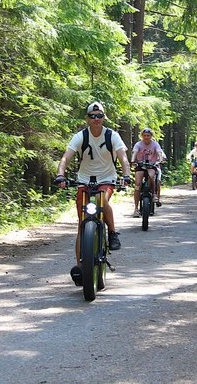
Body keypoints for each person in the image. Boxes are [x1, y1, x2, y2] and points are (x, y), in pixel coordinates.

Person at [54, 101, 131, 286]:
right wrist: (60, 175)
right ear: (87, 118)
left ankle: (112, 233)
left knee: (102, 200)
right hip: (84, 181)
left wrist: (126, 175)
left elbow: (123, 158)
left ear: (104, 117)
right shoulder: (80, 136)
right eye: (92, 116)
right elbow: (66, 157)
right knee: (82, 224)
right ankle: (81, 266)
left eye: (100, 116)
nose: (96, 119)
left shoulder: (112, 136)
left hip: (107, 179)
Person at [130, 128, 164, 217]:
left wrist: (160, 160)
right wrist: (133, 160)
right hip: (140, 165)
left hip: (151, 165)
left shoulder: (155, 144)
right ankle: (136, 209)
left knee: (151, 176)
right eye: (144, 135)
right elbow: (134, 152)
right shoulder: (138, 144)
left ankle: (154, 194)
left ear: (151, 136)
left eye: (148, 136)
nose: (146, 137)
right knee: (137, 184)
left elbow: (159, 153)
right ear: (142, 136)